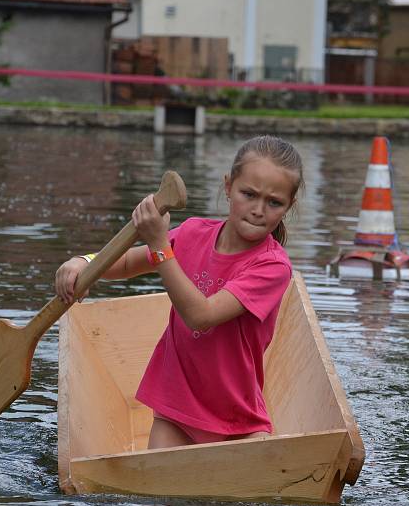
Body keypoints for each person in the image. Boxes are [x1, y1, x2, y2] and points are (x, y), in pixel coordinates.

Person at [54, 135, 304, 449]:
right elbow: (130, 261)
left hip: (237, 420)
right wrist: (84, 262)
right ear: (228, 187)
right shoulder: (192, 233)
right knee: (157, 497)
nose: (258, 210)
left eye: (274, 202)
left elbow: (201, 317)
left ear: (288, 206)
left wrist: (160, 246)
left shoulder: (272, 266)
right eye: (248, 194)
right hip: (177, 411)